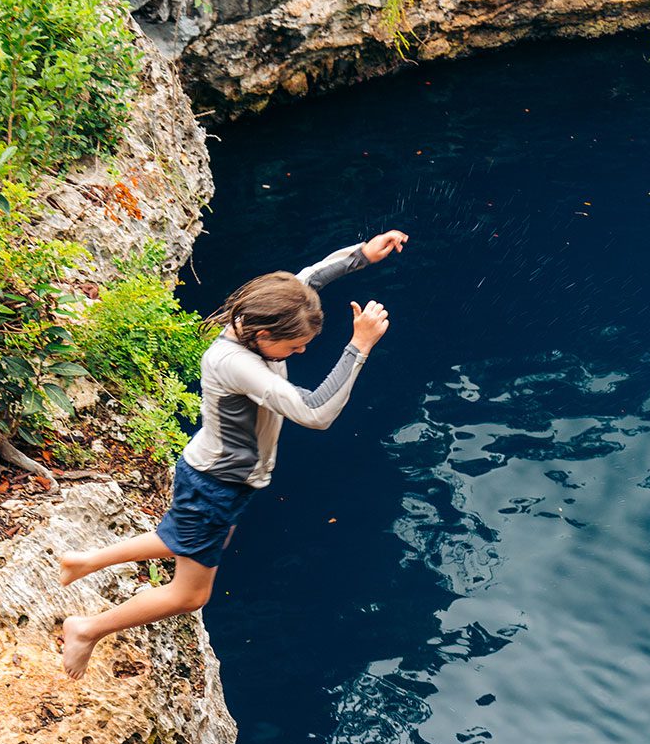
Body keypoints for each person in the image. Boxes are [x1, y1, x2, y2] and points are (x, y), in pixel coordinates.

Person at [58, 230, 407, 678]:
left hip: (219, 478)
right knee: (190, 595)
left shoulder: (266, 316)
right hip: (215, 484)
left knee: (187, 538)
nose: (300, 352)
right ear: (263, 335)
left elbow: (310, 278)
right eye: (294, 347)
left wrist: (362, 255)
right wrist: (358, 347)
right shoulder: (235, 362)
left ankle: (84, 561)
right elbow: (314, 412)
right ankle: (86, 629)